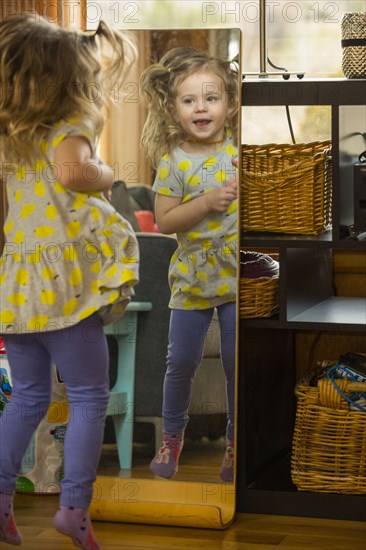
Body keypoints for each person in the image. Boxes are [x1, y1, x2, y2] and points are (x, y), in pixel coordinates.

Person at [0, 13, 139, 550]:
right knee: (88, 396)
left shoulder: (14, 135)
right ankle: (74, 508)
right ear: (68, 79)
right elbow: (73, 173)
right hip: (64, 289)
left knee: (27, 398)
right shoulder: (72, 121)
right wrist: (110, 173)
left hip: (16, 286)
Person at [139, 47, 238, 482]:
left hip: (237, 281)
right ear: (173, 110)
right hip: (190, 283)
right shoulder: (174, 162)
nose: (201, 107)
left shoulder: (240, 151)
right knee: (180, 363)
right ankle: (173, 439)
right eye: (189, 100)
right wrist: (206, 202)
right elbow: (164, 220)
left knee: (238, 364)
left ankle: (237, 443)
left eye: (211, 98)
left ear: (230, 104)